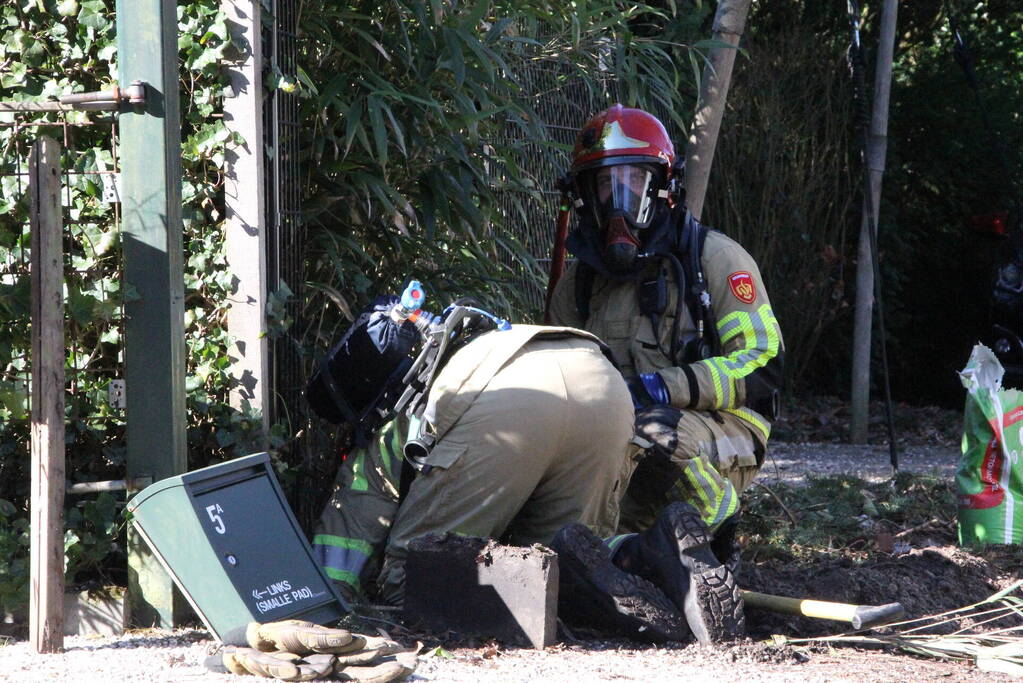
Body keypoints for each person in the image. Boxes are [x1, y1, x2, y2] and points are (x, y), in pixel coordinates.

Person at [546, 104, 785, 643]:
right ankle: (635, 557)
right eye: (605, 184)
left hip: (724, 428)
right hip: (622, 435)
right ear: (584, 195)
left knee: (656, 434)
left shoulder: (716, 259)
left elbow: (763, 366)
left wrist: (662, 386)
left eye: (634, 179)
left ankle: (717, 542)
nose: (619, 199)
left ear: (663, 186)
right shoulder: (577, 287)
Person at [306, 295, 637, 607]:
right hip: (603, 383)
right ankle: (647, 556)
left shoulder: (390, 428)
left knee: (418, 581)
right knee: (564, 571)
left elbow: (355, 520)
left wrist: (330, 596)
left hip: (510, 396)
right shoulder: (467, 347)